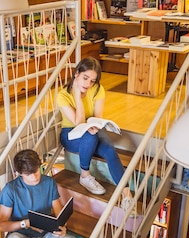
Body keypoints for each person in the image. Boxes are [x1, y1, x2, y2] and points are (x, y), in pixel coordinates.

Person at [57, 57, 133, 210]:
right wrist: (78, 96)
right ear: (76, 73)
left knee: (109, 149)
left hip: (91, 129)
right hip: (70, 135)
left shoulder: (98, 89)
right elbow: (78, 123)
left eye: (92, 81)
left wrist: (96, 125)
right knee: (89, 135)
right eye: (85, 78)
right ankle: (85, 175)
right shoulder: (63, 95)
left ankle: (127, 195)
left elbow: (97, 116)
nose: (88, 84)